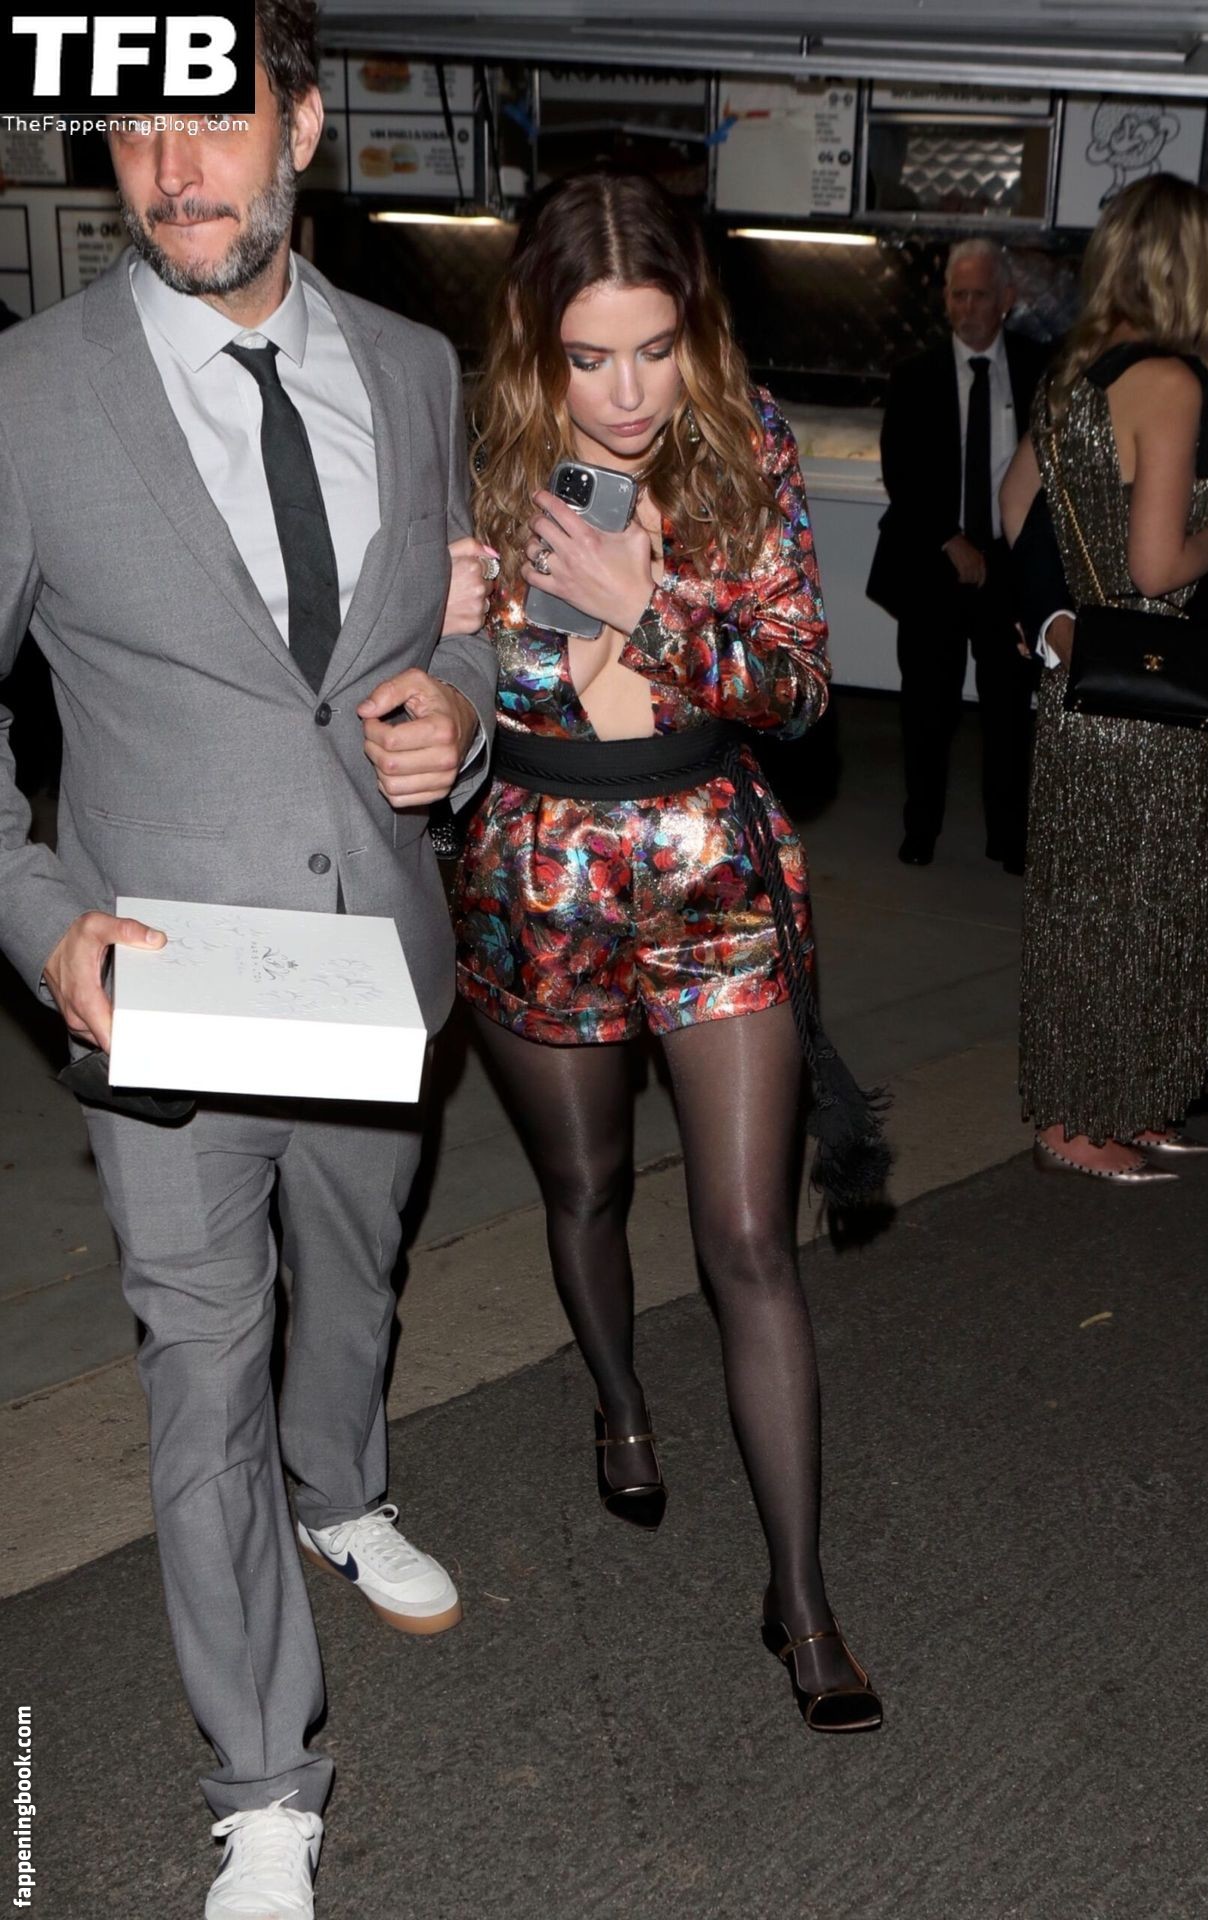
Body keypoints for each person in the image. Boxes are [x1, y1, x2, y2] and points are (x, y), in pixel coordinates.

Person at [0, 5, 496, 1914]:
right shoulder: (31, 393)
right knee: (200, 1361)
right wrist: (42, 916)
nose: (170, 168)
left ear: (302, 125)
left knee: (352, 1279)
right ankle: (265, 1785)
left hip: (375, 964)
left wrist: (459, 716)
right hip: (163, 992)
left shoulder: (417, 367)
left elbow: (453, 619)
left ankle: (344, 1489)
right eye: (131, 127)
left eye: (209, 120)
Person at [372, 170, 883, 1734]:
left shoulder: (746, 444)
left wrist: (645, 604)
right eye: (591, 358)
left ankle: (802, 1604)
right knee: (588, 1187)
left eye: (655, 349)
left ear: (692, 331)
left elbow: (800, 690)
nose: (627, 394)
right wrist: (446, 630)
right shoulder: (475, 463)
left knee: (749, 1240)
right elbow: (430, 699)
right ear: (540, 343)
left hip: (711, 861)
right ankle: (616, 1400)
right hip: (535, 870)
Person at [999, 174, 1208, 1182]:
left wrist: (1060, 618)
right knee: (1136, 909)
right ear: (1187, 268)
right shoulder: (1170, 381)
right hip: (1152, 688)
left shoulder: (1075, 371)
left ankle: (1119, 1105)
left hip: (1087, 686)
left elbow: (1011, 505)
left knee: (1102, 904)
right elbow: (1158, 566)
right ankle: (1080, 1128)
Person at [867, 236, 1050, 871]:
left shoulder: (1038, 370)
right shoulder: (914, 375)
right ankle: (921, 827)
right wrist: (950, 539)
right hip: (933, 561)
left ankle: (1008, 836)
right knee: (927, 706)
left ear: (1007, 299)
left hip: (1007, 564)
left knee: (1009, 709)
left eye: (980, 295)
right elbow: (902, 472)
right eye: (958, 295)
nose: (967, 307)